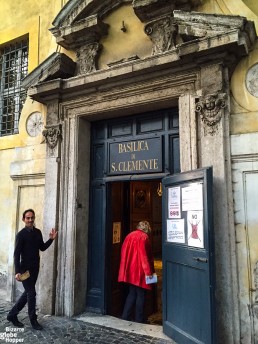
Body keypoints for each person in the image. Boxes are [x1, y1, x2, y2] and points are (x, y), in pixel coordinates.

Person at [7, 209, 58, 330]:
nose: (30, 220)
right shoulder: (21, 234)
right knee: (31, 293)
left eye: (32, 218)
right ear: (23, 219)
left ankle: (12, 315)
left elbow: (42, 248)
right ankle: (33, 319)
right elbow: (16, 254)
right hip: (25, 270)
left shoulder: (38, 232)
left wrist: (51, 239)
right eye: (28, 218)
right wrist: (17, 272)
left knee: (27, 294)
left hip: (35, 268)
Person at [118, 221, 155, 323]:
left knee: (132, 293)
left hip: (129, 269)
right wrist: (149, 273)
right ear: (147, 228)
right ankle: (139, 319)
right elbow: (144, 257)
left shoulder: (129, 235)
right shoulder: (144, 237)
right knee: (141, 294)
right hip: (140, 270)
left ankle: (126, 315)